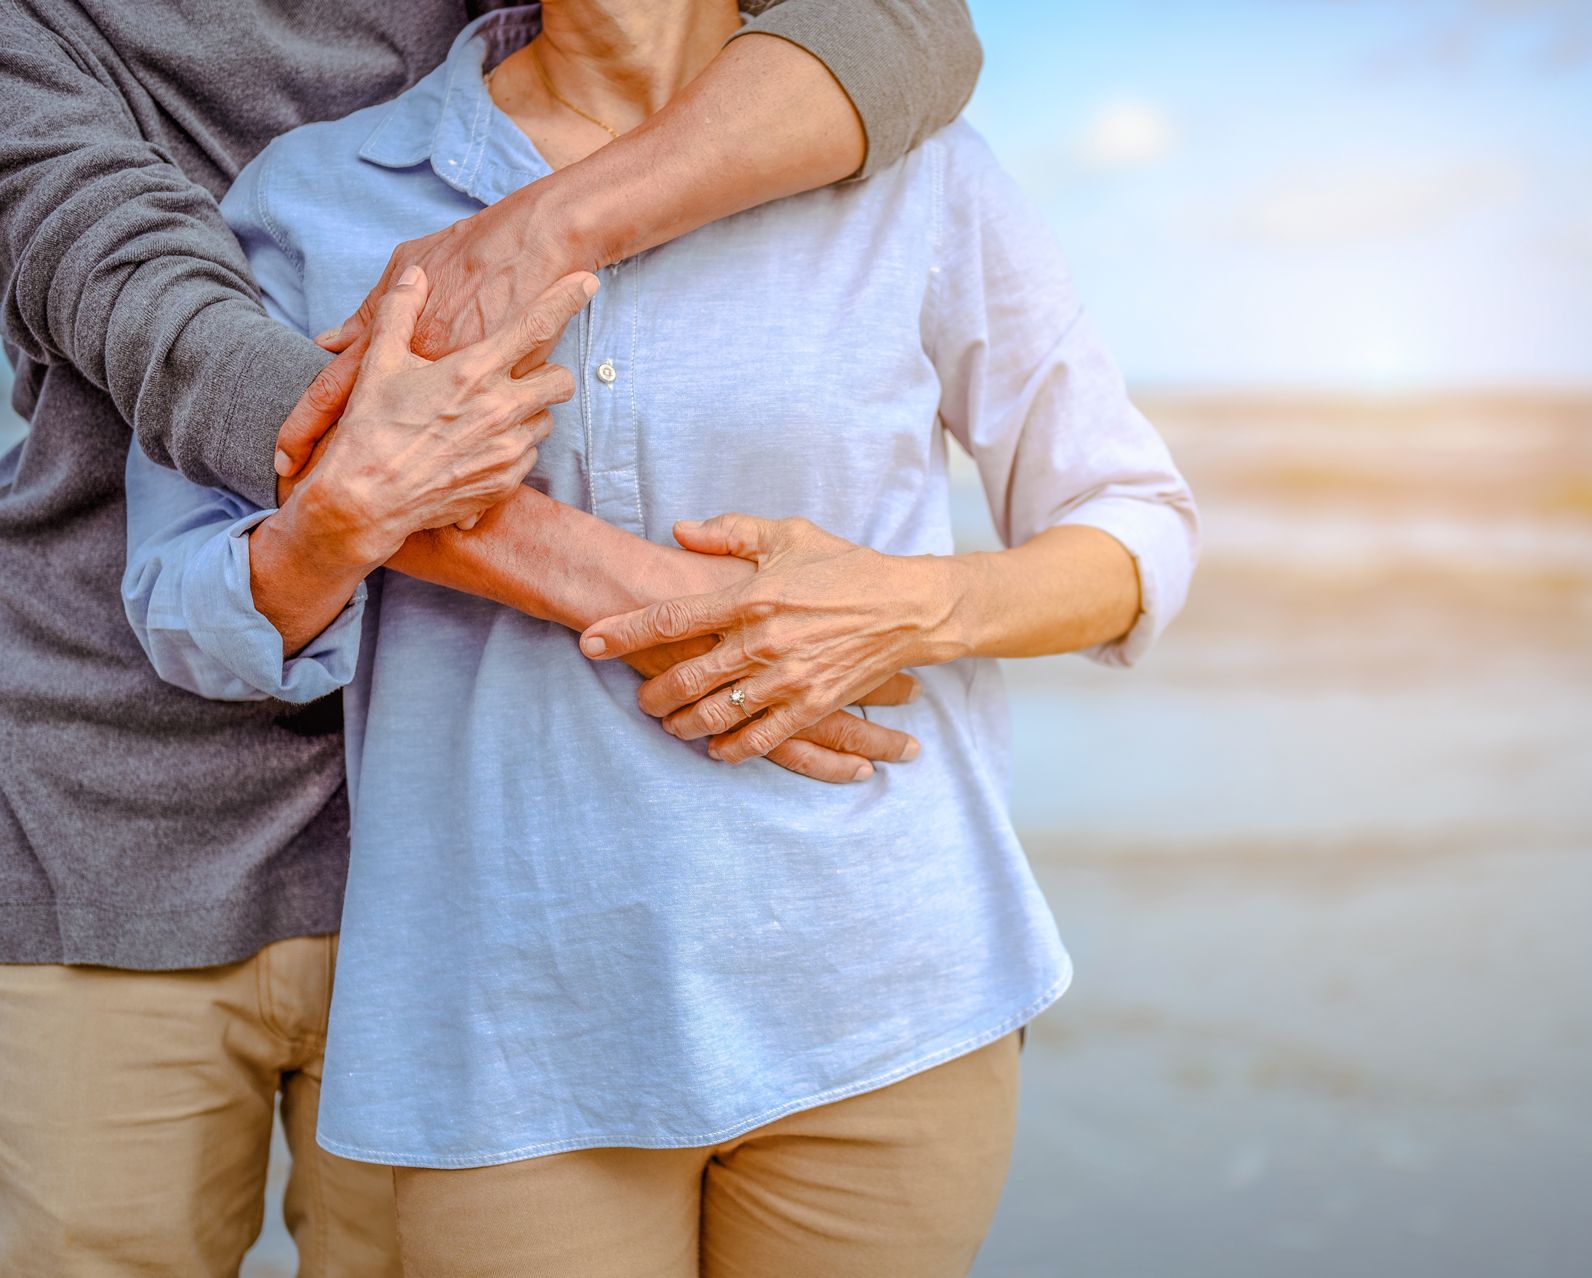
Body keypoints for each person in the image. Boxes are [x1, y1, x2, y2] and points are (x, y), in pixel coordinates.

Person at [123, 3, 1200, 1273]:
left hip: (891, 991)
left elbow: (1134, 526)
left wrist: (913, 603)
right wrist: (344, 519)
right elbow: (187, 606)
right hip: (512, 1029)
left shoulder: (920, 169)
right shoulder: (327, 193)